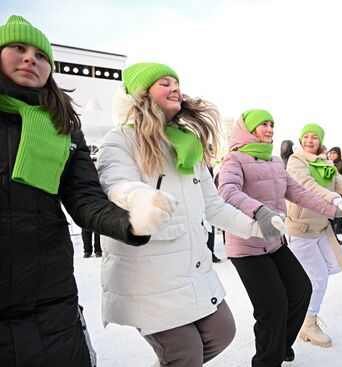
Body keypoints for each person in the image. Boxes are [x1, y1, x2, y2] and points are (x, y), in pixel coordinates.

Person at [0, 15, 152, 366]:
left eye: (40, 56)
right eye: (18, 49)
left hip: (49, 291)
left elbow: (83, 198)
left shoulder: (64, 129)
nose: (29, 59)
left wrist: (132, 223)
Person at [97, 63, 273, 367]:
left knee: (222, 332)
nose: (175, 88)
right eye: (164, 83)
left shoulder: (187, 145)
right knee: (185, 353)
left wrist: (257, 227)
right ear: (141, 93)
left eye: (177, 82)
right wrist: (141, 201)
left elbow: (213, 205)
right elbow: (116, 182)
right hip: (147, 272)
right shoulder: (122, 139)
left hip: (189, 267)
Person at [217, 109, 340, 367]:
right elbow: (227, 191)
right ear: (248, 129)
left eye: (271, 124)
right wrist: (259, 210)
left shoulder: (274, 162)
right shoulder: (234, 159)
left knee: (301, 290)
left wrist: (334, 209)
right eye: (263, 124)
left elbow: (298, 193)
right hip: (246, 247)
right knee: (272, 308)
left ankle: (281, 344)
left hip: (274, 240)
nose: (270, 129)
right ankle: (266, 362)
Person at [286, 123, 342, 348]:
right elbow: (306, 186)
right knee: (319, 279)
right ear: (300, 140)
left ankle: (298, 284)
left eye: (314, 138)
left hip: (321, 227)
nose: (310, 141)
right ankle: (307, 324)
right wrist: (337, 200)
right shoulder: (296, 161)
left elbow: (341, 183)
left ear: (320, 141)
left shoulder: (326, 162)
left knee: (339, 264)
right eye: (306, 137)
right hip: (301, 228)